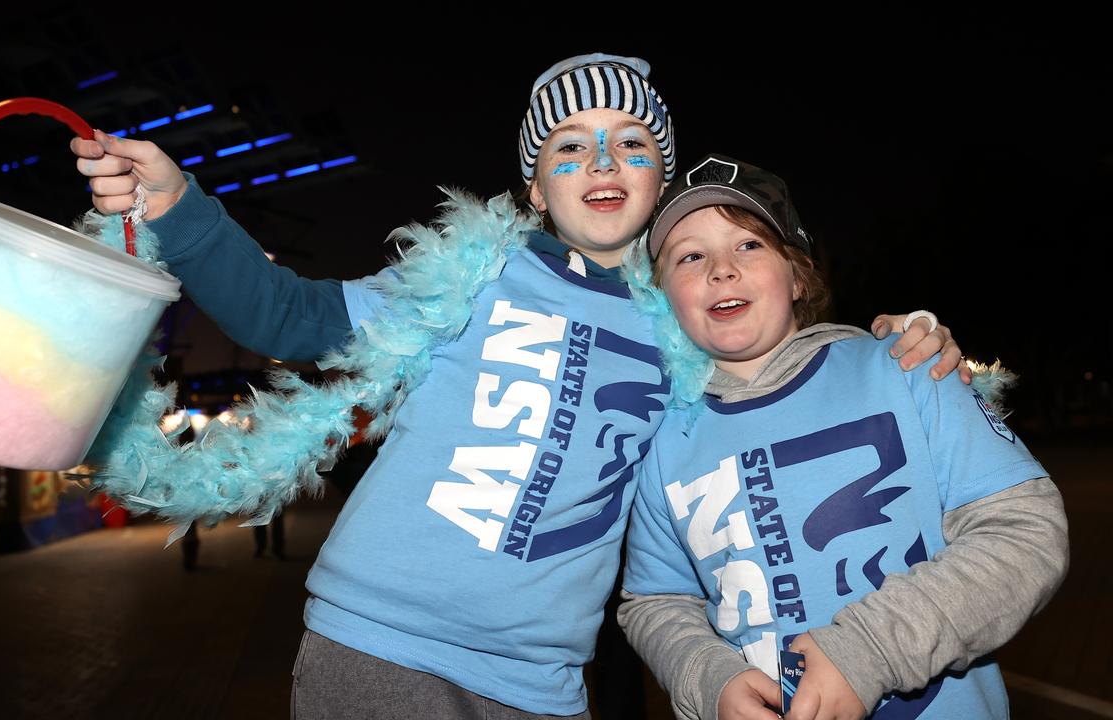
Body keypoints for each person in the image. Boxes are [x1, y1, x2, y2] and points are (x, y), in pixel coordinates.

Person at [72, 57, 960, 719]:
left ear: (659, 181)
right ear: (535, 186)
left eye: (633, 144)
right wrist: (180, 204)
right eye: (572, 146)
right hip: (381, 648)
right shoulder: (468, 275)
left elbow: (777, 379)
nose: (604, 160)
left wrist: (888, 341)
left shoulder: (685, 328)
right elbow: (286, 317)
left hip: (542, 682)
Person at [619, 154, 1068, 720]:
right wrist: (707, 680)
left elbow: (1026, 532)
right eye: (690, 256)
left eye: (750, 244)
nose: (721, 269)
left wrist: (869, 650)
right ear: (663, 301)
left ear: (798, 273)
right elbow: (656, 601)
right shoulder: (665, 443)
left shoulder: (908, 369)